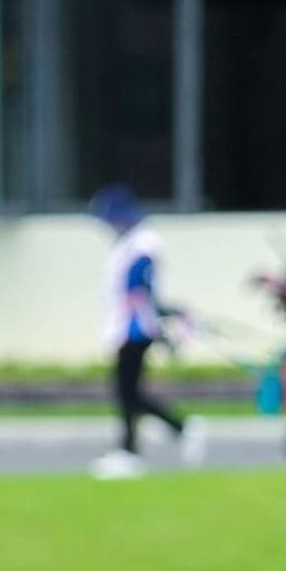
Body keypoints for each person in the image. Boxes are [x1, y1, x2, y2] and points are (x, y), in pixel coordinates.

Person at [87, 184, 205, 479]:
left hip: (135, 326)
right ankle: (176, 429)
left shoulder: (143, 244)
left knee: (126, 391)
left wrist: (158, 323)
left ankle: (131, 450)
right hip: (128, 324)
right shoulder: (131, 243)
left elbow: (141, 288)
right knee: (129, 391)